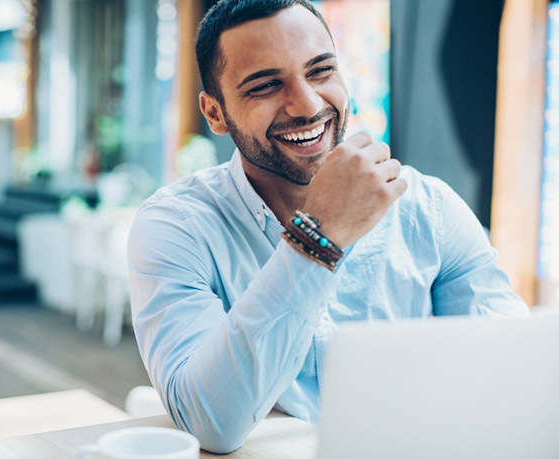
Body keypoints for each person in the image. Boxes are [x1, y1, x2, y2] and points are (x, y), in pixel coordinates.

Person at [128, 0, 529, 453]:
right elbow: (211, 424)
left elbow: (509, 377)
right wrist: (318, 236)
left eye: (321, 71)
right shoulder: (176, 227)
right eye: (265, 85)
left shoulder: (429, 209)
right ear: (215, 113)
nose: (308, 104)